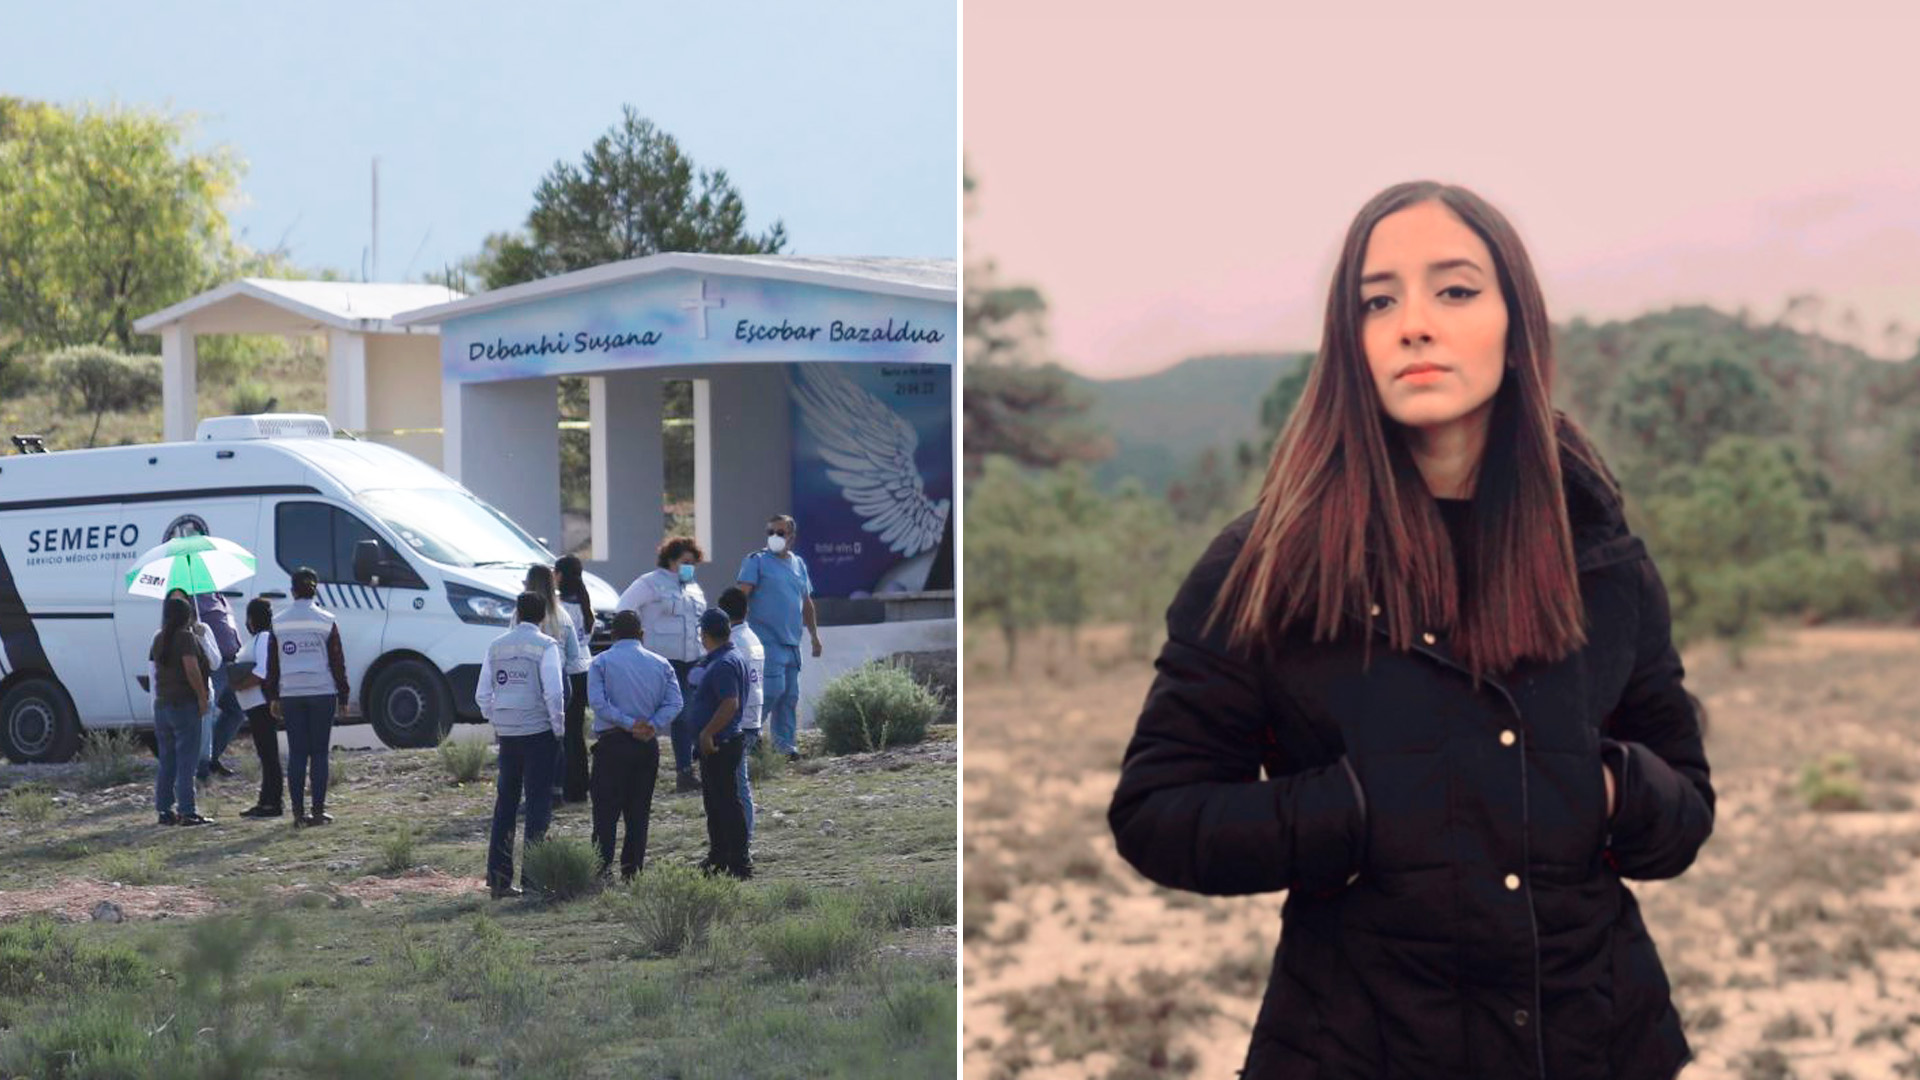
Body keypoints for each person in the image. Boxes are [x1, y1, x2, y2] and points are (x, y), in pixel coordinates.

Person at [1107, 182, 1714, 1080]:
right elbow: (1156, 813)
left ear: (1517, 324)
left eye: (1456, 290)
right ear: (1349, 343)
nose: (1413, 324)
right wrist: (1348, 814)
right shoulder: (1270, 561)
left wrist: (1612, 790)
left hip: (1595, 1040)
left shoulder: (1598, 551)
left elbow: (1687, 806)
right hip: (1357, 1044)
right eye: (1378, 300)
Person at [477, 591, 566, 899]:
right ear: (543, 616)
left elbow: (481, 694)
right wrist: (559, 729)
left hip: (508, 734)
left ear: (516, 612)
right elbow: (554, 693)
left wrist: (498, 719)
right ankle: (533, 879)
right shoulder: (546, 646)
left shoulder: (496, 645)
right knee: (538, 805)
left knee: (506, 805)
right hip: (538, 732)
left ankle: (499, 880)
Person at [586, 610, 682, 882]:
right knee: (638, 813)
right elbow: (676, 703)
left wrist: (628, 723)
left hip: (612, 744)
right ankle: (632, 872)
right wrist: (651, 724)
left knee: (605, 814)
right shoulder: (661, 663)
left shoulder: (600, 663)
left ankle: (601, 871)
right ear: (642, 635)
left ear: (613, 635)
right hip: (646, 745)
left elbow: (599, 704)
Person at [617, 536, 707, 793]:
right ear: (671, 559)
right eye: (685, 561)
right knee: (657, 714)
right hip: (660, 662)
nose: (690, 567)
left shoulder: (693, 588)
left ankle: (685, 772)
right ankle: (640, 772)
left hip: (691, 661)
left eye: (693, 563)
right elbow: (624, 609)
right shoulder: (649, 583)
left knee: (686, 716)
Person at [264, 567, 350, 827]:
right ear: (316, 589)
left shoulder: (278, 621)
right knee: (320, 754)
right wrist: (344, 695)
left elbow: (273, 663)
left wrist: (274, 695)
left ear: (292, 591)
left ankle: (299, 814)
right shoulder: (326, 619)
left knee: (298, 753)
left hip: (291, 693)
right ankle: (319, 811)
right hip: (322, 691)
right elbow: (337, 660)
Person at [735, 515, 820, 762]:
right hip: (764, 640)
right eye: (771, 532)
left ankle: (785, 747)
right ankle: (747, 740)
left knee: (790, 695)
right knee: (771, 691)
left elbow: (806, 602)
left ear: (792, 537)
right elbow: (741, 596)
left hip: (792, 642)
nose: (775, 537)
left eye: (781, 533)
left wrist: (815, 635)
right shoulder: (756, 561)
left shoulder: (798, 564)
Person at [684, 608, 750, 879]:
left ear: (706, 634)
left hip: (720, 742)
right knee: (716, 803)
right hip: (720, 741)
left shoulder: (724, 664)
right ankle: (719, 857)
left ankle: (738, 863)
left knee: (726, 803)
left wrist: (707, 733)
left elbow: (730, 703)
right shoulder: (726, 658)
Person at [523, 564, 584, 803]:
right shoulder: (563, 615)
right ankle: (557, 788)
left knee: (530, 738)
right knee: (557, 736)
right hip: (559, 678)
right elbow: (574, 654)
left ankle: (534, 792)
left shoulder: (521, 614)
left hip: (531, 681)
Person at [149, 595, 212, 826]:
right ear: (187, 616)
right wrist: (202, 697)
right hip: (184, 704)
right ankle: (187, 811)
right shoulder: (185, 638)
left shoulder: (159, 638)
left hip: (162, 704)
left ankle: (165, 810)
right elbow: (192, 669)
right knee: (187, 760)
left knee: (168, 760)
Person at [716, 587, 764, 852]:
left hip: (739, 720)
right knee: (739, 782)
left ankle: (741, 841)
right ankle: (740, 839)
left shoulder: (734, 643)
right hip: (751, 717)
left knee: (737, 785)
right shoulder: (752, 637)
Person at [229, 598, 284, 818]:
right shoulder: (257, 639)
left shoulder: (264, 639)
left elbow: (263, 671)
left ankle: (273, 804)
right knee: (265, 755)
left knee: (269, 756)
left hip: (262, 705)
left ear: (252, 619)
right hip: (253, 706)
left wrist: (239, 685)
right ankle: (265, 801)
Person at [554, 555, 597, 803]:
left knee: (564, 732)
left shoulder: (559, 606)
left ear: (559, 575)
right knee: (575, 732)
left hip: (566, 671)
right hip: (584, 668)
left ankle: (567, 785)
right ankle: (580, 785)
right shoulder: (584, 602)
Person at [192, 586, 245, 782]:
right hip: (213, 663)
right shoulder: (193, 597)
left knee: (236, 711)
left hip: (230, 662)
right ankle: (201, 765)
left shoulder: (217, 595)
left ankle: (212, 757)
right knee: (207, 712)